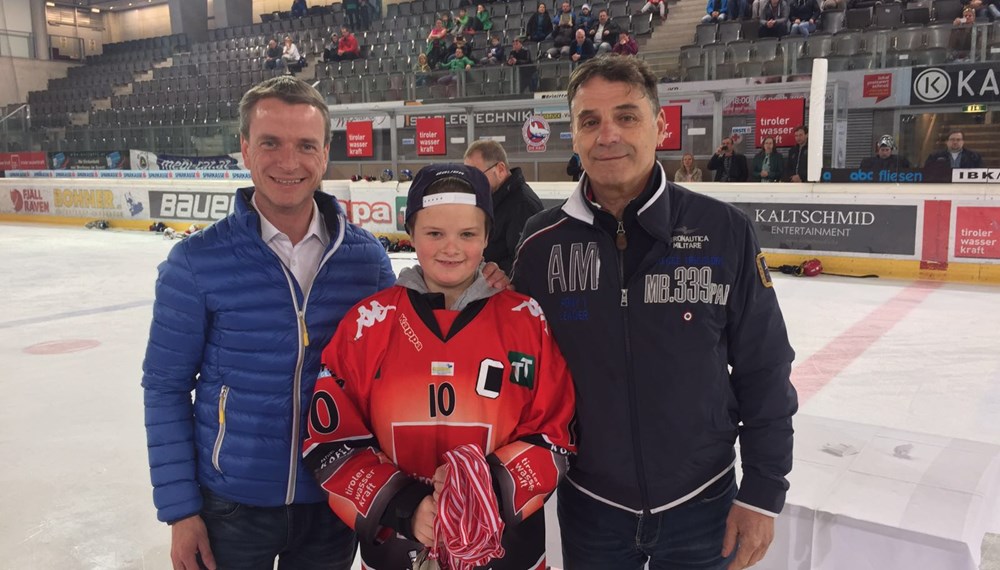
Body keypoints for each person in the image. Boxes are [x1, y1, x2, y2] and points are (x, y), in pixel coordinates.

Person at [512, 56, 797, 570]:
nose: (608, 135)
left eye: (627, 116)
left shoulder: (723, 230)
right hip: (591, 505)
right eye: (590, 121)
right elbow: (515, 370)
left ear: (661, 125)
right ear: (573, 136)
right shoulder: (539, 243)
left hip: (703, 504)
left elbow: (765, 366)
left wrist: (761, 492)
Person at [142, 76, 394, 570]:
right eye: (270, 143)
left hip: (333, 498)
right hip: (231, 506)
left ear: (324, 154)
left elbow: (394, 372)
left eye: (305, 145)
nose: (288, 162)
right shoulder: (196, 263)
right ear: (244, 149)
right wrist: (180, 511)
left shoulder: (367, 262)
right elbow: (165, 387)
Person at [303, 163, 576, 569]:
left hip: (507, 552)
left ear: (487, 236)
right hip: (396, 551)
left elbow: (555, 434)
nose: (451, 248)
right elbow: (331, 442)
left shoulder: (525, 319)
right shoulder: (368, 324)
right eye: (434, 233)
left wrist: (481, 492)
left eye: (467, 234)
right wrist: (406, 508)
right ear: (410, 232)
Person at [464, 139, 543, 273]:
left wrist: (486, 273)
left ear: (500, 169)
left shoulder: (522, 205)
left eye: (477, 176)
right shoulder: (492, 200)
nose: (472, 185)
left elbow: (524, 262)